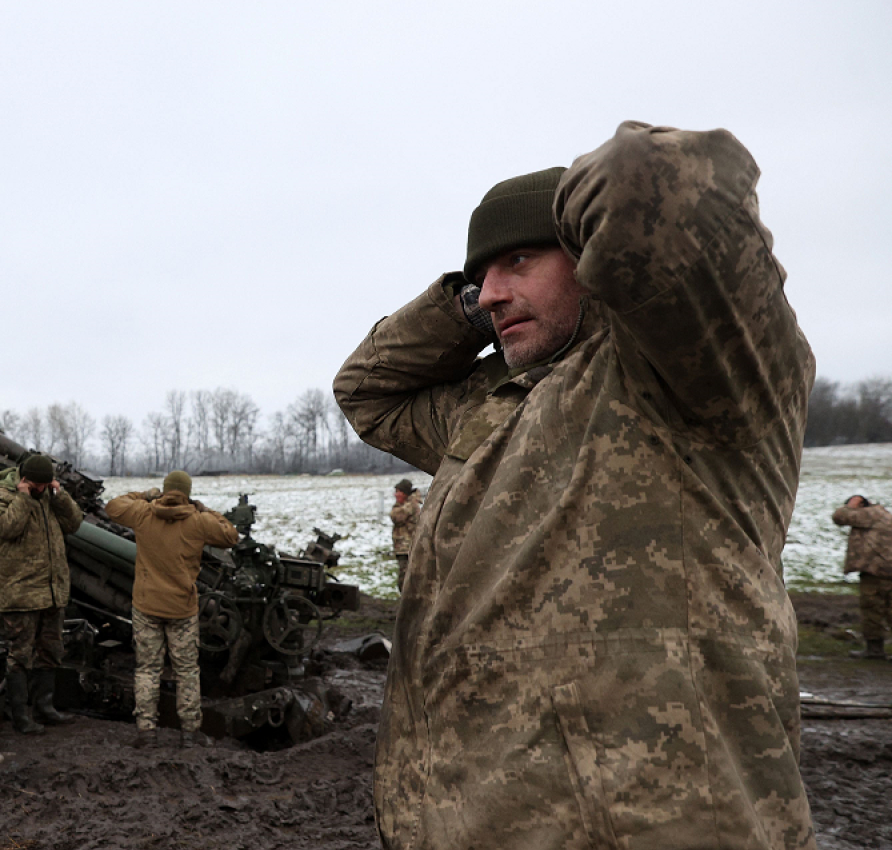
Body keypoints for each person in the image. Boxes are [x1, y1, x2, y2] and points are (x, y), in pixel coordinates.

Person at [334, 123, 816, 849]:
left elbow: (652, 177)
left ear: (594, 259)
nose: (492, 294)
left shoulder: (686, 378)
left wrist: (583, 225)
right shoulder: (487, 408)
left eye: (520, 261)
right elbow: (367, 390)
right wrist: (465, 308)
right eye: (480, 279)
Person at [105, 470, 239, 748]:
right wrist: (205, 509)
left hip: (146, 605)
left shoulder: (143, 513)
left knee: (147, 670)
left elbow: (113, 506)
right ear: (187, 493)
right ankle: (189, 734)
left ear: (164, 491)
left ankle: (146, 732)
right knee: (187, 671)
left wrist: (144, 495)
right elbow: (231, 535)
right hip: (182, 608)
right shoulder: (199, 521)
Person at [0, 453, 84, 735]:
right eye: (38, 486)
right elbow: (5, 528)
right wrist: (24, 498)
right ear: (26, 481)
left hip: (51, 591)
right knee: (20, 655)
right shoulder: (0, 497)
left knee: (50, 651)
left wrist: (59, 495)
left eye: (46, 485)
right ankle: (21, 717)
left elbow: (74, 523)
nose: (42, 490)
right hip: (21, 592)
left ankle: (44, 707)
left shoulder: (49, 499)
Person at [832, 495, 892, 660]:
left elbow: (839, 517)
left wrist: (852, 504)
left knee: (872, 609)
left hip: (876, 571)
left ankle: (875, 650)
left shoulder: (869, 514)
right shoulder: (880, 514)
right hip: (886, 569)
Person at [388, 478, 420, 593]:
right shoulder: (407, 505)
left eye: (398, 492)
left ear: (405, 493)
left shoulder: (410, 506)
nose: (395, 495)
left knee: (405, 580)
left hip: (407, 549)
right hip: (403, 548)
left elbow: (395, 516)